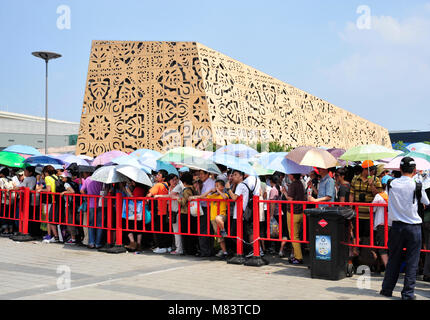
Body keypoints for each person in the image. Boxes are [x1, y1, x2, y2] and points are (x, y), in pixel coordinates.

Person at [380, 157, 430, 300]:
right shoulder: (417, 185)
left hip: (396, 227)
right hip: (413, 228)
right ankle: (407, 294)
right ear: (414, 170)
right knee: (412, 261)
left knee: (393, 259)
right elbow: (426, 202)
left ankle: (387, 289)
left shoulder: (391, 184)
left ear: (400, 169)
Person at [190, 179, 229, 259]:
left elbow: (225, 198)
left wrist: (219, 191)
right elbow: (202, 197)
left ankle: (223, 230)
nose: (216, 187)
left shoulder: (224, 194)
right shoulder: (213, 195)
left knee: (218, 222)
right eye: (215, 186)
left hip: (221, 216)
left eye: (218, 186)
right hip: (212, 219)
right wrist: (210, 191)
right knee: (219, 237)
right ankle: (225, 252)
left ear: (222, 187)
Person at [349, 160, 383, 240]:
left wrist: (371, 185)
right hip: (357, 213)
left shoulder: (376, 180)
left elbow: (379, 195)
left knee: (369, 237)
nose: (372, 172)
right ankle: (356, 250)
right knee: (357, 235)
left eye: (373, 170)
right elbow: (351, 194)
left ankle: (366, 251)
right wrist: (350, 209)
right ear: (364, 170)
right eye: (370, 170)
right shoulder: (355, 179)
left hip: (370, 214)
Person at [155, 173, 184, 255]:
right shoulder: (170, 187)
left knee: (177, 231)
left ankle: (179, 249)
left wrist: (159, 195)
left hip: (177, 211)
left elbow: (170, 195)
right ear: (169, 180)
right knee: (175, 231)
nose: (175, 181)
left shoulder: (179, 186)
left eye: (176, 179)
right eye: (173, 179)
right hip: (172, 211)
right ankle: (177, 248)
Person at [283, 173, 306, 264]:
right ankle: (297, 255)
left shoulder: (293, 185)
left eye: (289, 174)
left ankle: (298, 257)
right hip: (300, 211)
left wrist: (285, 192)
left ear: (292, 175)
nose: (288, 175)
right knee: (297, 236)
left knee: (294, 236)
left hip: (293, 212)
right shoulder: (300, 183)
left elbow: (290, 199)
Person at [121, 180, 150, 252]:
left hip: (134, 212)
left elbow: (134, 199)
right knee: (139, 227)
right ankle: (138, 244)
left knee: (129, 226)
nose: (131, 183)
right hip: (140, 212)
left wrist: (128, 192)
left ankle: (133, 243)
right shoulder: (144, 189)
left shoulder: (138, 189)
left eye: (132, 181)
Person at [147, 169, 171, 254]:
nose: (156, 176)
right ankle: (168, 246)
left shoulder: (158, 185)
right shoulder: (168, 185)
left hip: (158, 209)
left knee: (158, 229)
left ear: (163, 178)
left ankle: (161, 246)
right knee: (166, 229)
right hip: (166, 210)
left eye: (158, 175)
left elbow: (149, 195)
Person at [372, 175, 393, 270]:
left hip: (381, 224)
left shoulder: (379, 196)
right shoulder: (395, 196)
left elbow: (372, 210)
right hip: (393, 224)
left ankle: (388, 268)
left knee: (382, 247)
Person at [225, 170, 248, 255]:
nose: (233, 177)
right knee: (240, 234)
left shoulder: (241, 185)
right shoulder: (241, 185)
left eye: (235, 175)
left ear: (241, 176)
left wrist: (228, 188)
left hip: (239, 213)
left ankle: (248, 250)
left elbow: (234, 197)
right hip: (240, 213)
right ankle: (244, 251)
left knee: (235, 234)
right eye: (233, 175)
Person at [80, 170, 104, 249]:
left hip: (91, 204)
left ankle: (91, 243)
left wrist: (86, 197)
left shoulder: (88, 179)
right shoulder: (103, 179)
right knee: (100, 224)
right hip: (101, 204)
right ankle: (98, 243)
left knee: (91, 224)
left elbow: (82, 190)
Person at [37, 165, 61, 243]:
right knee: (56, 219)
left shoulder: (48, 178)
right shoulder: (56, 177)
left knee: (50, 220)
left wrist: (40, 190)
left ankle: (56, 237)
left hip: (53, 200)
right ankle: (58, 236)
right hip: (59, 199)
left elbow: (48, 190)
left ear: (46, 172)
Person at [177, 172, 199, 255]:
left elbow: (183, 202)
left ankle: (188, 250)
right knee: (192, 232)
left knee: (186, 232)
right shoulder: (194, 188)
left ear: (184, 182)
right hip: (193, 213)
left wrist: (178, 199)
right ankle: (192, 249)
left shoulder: (186, 190)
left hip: (185, 213)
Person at [196, 170, 216, 257]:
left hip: (208, 208)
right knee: (206, 229)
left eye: (201, 174)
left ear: (207, 174)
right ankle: (207, 250)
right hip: (204, 207)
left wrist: (197, 196)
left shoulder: (210, 183)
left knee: (205, 229)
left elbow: (207, 196)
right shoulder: (204, 183)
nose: (200, 176)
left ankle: (206, 251)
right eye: (199, 174)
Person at [59, 171, 80, 245]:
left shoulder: (66, 184)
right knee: (74, 221)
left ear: (66, 178)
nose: (61, 179)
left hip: (69, 205)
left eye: (63, 177)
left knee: (70, 221)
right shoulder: (74, 183)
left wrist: (64, 192)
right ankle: (75, 237)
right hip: (75, 204)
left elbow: (72, 192)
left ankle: (73, 239)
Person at [0, 167, 14, 235]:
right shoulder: (11, 179)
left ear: (2, 174)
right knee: (10, 215)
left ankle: (6, 230)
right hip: (11, 200)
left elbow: (1, 188)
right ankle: (11, 229)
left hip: (4, 199)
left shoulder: (1, 180)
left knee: (4, 215)